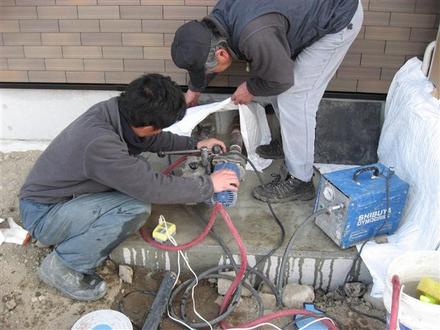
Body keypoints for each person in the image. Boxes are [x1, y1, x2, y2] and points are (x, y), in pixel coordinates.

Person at [19, 74, 239, 301]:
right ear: (147, 124)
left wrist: (193, 145)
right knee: (134, 207)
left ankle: (69, 233)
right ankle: (64, 266)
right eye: (158, 127)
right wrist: (209, 184)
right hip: (44, 213)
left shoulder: (116, 111)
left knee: (137, 168)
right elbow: (153, 188)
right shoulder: (101, 144)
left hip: (62, 197)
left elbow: (149, 139)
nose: (158, 131)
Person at [171, 0, 363, 203]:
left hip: (337, 17)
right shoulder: (218, 19)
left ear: (221, 53)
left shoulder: (255, 34)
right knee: (271, 78)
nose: (208, 74)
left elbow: (281, 79)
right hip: (305, 12)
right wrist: (194, 90)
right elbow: (270, 72)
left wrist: (251, 88)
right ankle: (288, 144)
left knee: (295, 97)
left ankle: (300, 180)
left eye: (208, 70)